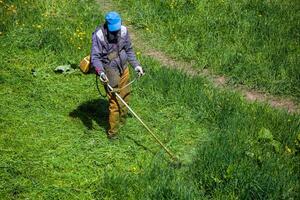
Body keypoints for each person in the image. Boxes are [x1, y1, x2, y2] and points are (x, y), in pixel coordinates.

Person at [91, 11, 144, 139]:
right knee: (115, 102)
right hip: (110, 70)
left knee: (125, 96)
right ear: (107, 26)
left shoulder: (124, 31)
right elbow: (95, 57)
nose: (116, 33)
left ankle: (122, 123)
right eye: (113, 30)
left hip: (124, 67)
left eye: (117, 29)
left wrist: (136, 65)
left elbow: (129, 50)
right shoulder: (99, 36)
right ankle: (113, 133)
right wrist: (101, 73)